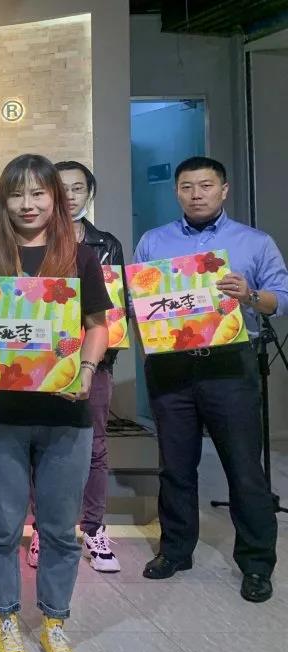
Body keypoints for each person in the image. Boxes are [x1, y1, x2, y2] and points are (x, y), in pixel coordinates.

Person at [0, 154, 111, 652]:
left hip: (66, 412)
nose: (28, 204)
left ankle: (55, 622)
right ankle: (5, 617)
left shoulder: (80, 256)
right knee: (0, 527)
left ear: (55, 199)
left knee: (60, 529)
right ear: (3, 200)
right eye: (17, 193)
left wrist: (86, 369)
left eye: (38, 193)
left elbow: (97, 325)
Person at [134, 156, 288, 604]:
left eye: (205, 185)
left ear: (224, 190)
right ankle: (175, 551)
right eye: (187, 186)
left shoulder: (253, 242)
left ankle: (256, 563)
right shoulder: (153, 241)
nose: (196, 194)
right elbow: (136, 299)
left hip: (230, 366)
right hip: (171, 366)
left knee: (244, 468)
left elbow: (281, 298)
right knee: (175, 466)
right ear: (176, 192)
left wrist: (250, 295)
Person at [22, 161, 127, 574]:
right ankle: (43, 530)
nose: (69, 195)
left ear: (89, 193)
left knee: (94, 448)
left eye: (77, 188)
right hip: (41, 363)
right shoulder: (31, 242)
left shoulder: (105, 245)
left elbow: (115, 312)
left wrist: (96, 361)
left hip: (92, 362)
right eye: (60, 188)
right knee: (38, 448)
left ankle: (94, 528)